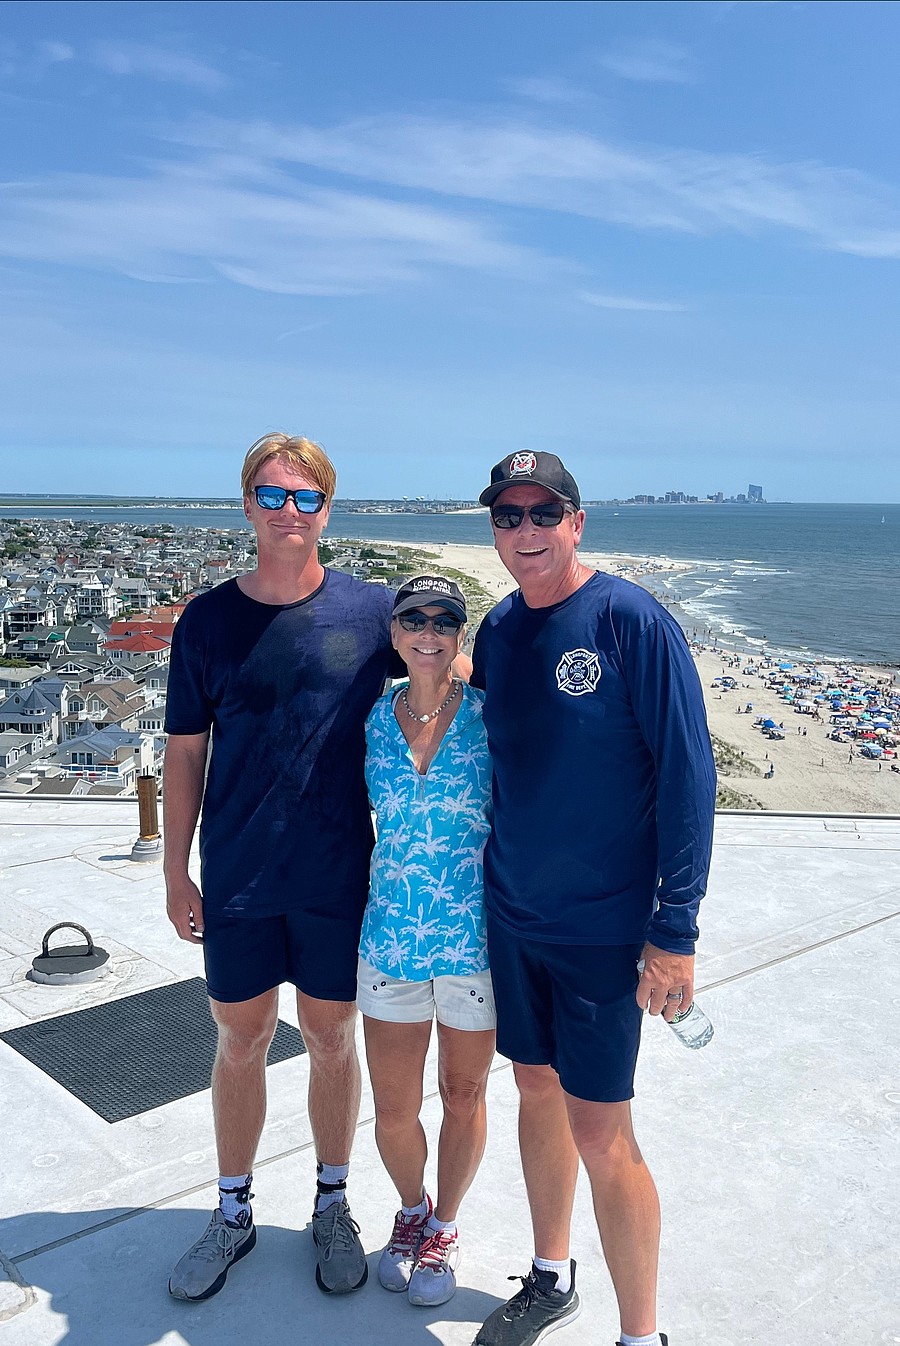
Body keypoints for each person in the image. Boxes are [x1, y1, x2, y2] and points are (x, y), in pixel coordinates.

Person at [469, 451, 716, 1346]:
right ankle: (549, 1273)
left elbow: (690, 778)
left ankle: (641, 1335)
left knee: (602, 1129)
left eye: (544, 513)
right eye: (507, 516)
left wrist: (675, 930)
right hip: (514, 916)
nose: (525, 531)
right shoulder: (498, 632)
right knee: (534, 1087)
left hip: (605, 928)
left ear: (578, 521)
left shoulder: (629, 620)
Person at [164, 432, 406, 1302]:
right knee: (240, 1038)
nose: (289, 513)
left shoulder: (371, 612)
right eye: (272, 497)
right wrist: (175, 871)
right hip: (237, 874)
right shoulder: (207, 620)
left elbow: (445, 680)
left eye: (305, 498)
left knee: (335, 1039)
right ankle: (232, 1212)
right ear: (247, 507)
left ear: (327, 510)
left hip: (340, 872)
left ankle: (331, 1204)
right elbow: (185, 752)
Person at [358, 576, 494, 1308]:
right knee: (393, 1106)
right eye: (415, 618)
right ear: (395, 633)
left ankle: (444, 1224)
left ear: (460, 635)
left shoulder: (489, 718)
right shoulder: (371, 718)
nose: (430, 630)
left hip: (472, 942)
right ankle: (410, 1210)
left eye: (446, 619)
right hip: (389, 941)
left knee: (463, 1093)